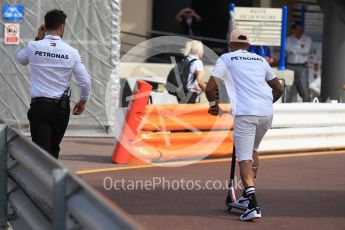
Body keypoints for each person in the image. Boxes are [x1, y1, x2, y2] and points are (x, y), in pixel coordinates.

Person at [205, 28, 283, 221]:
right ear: (248, 45)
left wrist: (213, 106)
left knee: (244, 158)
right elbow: (279, 88)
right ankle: (246, 197)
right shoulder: (260, 60)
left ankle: (253, 203)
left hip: (246, 113)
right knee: (253, 151)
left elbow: (210, 88)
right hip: (265, 113)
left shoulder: (226, 58)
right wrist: (263, 104)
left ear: (230, 45)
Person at [16, 9, 91, 159]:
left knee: (40, 153)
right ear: (62, 27)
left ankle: (39, 181)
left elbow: (20, 59)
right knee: (53, 151)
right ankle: (51, 181)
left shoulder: (33, 46)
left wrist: (38, 38)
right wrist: (83, 101)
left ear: (45, 26)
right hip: (61, 109)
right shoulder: (72, 52)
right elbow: (85, 81)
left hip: (40, 107)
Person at [286, 20, 312, 102]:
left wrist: (294, 51)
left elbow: (306, 50)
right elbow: (287, 49)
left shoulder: (307, 39)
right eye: (293, 29)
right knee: (288, 88)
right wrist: (299, 50)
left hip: (302, 67)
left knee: (304, 89)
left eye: (295, 28)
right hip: (290, 66)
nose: (294, 30)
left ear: (300, 28)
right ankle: (286, 108)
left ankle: (307, 109)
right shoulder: (289, 39)